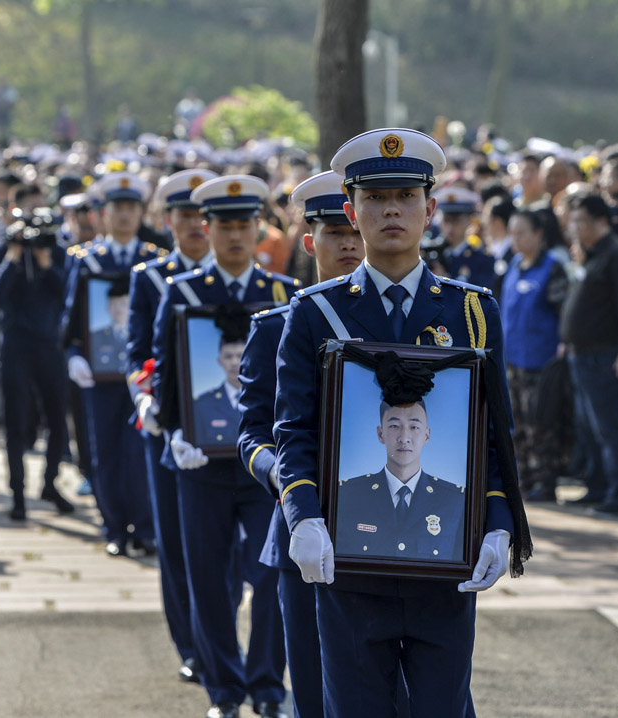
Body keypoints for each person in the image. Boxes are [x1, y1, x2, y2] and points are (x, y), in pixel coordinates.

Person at [276, 128, 530, 717]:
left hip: (443, 563)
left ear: (430, 208)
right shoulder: (316, 313)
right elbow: (295, 430)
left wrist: (498, 524)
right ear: (350, 210)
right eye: (375, 197)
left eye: (407, 196)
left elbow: (495, 435)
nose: (392, 209)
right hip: (350, 567)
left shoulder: (471, 310)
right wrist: (305, 516)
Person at [151, 174, 297, 718]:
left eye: (245, 225)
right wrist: (173, 433)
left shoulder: (282, 294)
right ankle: (224, 690)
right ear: (204, 229)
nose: (236, 237)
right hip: (201, 461)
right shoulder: (182, 291)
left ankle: (266, 683)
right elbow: (168, 376)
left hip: (266, 464)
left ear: (260, 228)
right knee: (208, 577)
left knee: (273, 573)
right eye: (225, 226)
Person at [236, 169, 364, 718]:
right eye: (335, 234)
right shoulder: (275, 327)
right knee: (312, 695)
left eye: (354, 233)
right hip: (303, 528)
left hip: (389, 531)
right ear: (310, 242)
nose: (349, 246)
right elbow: (254, 434)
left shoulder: (408, 324)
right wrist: (285, 481)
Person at [126, 168, 218, 685]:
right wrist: (145, 398)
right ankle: (192, 644)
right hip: (167, 428)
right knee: (178, 544)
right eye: (183, 215)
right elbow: (138, 352)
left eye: (201, 216)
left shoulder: (242, 279)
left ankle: (218, 634)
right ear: (168, 221)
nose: (193, 225)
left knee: (224, 546)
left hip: (226, 432)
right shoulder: (150, 278)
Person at [65, 171, 163, 556]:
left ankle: (146, 527)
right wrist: (73, 354)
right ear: (103, 214)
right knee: (104, 452)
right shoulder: (87, 260)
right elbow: (71, 319)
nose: (124, 215)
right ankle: (114, 528)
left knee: (140, 453)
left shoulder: (154, 259)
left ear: (141, 212)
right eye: (116, 208)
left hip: (143, 376)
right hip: (101, 376)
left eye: (131, 208)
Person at [0, 189, 75, 521]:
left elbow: (66, 291)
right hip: (15, 343)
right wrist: (13, 255)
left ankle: (50, 482)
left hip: (49, 343)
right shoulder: (1, 249)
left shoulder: (56, 250)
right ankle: (18, 493)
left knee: (56, 419)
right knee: (15, 420)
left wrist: (45, 263)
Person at [560, 193, 618, 516]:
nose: (575, 227)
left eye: (581, 221)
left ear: (601, 221)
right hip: (581, 354)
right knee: (588, 428)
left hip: (606, 354)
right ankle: (596, 487)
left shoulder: (617, 254)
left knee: (612, 428)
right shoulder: (591, 254)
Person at [335, 400, 466, 559]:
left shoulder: (455, 502)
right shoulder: (348, 495)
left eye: (414, 427)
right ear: (380, 433)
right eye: (394, 426)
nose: (404, 438)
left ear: (426, 435)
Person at [502, 209, 568, 501]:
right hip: (512, 359)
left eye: (522, 233)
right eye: (512, 232)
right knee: (517, 424)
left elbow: (563, 311)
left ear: (538, 234)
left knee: (540, 424)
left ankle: (546, 481)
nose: (515, 239)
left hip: (541, 361)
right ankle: (524, 479)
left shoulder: (552, 268)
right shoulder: (513, 265)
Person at [432, 187, 495, 288]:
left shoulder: (481, 259)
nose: (450, 227)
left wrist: (446, 279)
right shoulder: (433, 253)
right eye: (446, 220)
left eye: (456, 221)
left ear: (469, 221)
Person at [192, 336, 245, 448]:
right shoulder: (203, 405)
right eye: (228, 356)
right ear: (220, 361)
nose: (235, 362)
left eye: (240, 356)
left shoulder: (263, 400)